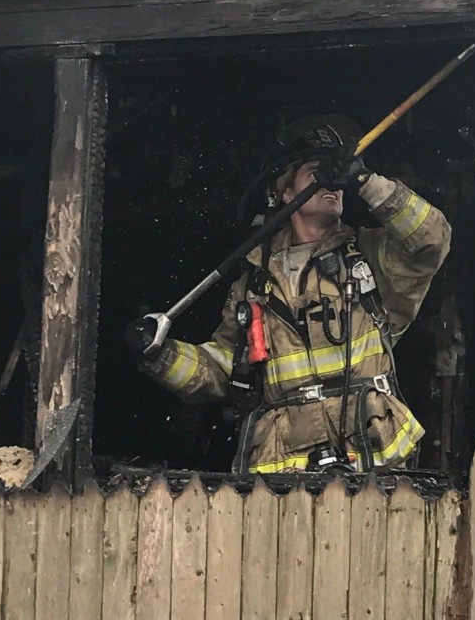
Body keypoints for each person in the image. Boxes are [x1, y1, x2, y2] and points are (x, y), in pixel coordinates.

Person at [126, 116, 451, 473]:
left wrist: (366, 182)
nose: (331, 182)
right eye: (316, 172)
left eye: (336, 174)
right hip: (283, 469)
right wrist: (160, 354)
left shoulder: (371, 258)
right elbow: (222, 369)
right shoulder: (253, 285)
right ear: (286, 193)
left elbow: (432, 241)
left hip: (370, 456)